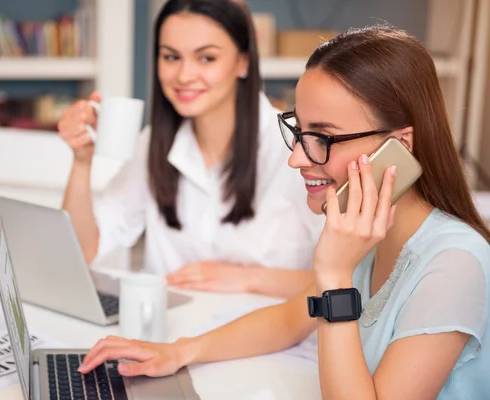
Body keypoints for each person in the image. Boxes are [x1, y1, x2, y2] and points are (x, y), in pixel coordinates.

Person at [77, 25, 490, 399]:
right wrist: (179, 352)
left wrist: (333, 275)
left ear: (401, 144)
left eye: (323, 138)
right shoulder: (370, 237)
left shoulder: (453, 264)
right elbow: (286, 321)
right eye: (299, 132)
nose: (296, 159)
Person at [58, 0, 323, 298]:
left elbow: (349, 282)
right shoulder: (154, 143)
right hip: (169, 333)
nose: (184, 76)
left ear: (243, 62)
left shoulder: (297, 151)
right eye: (171, 57)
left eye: (206, 58)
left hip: (271, 336)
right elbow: (82, 251)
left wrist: (249, 278)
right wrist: (82, 161)